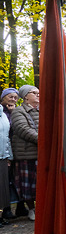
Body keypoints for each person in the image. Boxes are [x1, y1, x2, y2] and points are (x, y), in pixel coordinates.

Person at [11, 85, 41, 221]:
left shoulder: (43, 111)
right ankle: (31, 209)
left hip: (42, 153)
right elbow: (23, 129)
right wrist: (44, 140)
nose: (38, 95)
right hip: (26, 154)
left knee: (41, 183)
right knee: (28, 184)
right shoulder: (18, 111)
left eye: (38, 93)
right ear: (25, 96)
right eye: (34, 93)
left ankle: (41, 207)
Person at [1, 88, 19, 220]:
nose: (13, 99)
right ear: (3, 98)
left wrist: (13, 113)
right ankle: (5, 210)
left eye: (15, 97)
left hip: (13, 150)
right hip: (4, 151)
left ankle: (13, 208)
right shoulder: (1, 112)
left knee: (12, 180)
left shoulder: (16, 112)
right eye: (10, 97)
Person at [0, 94, 12, 225]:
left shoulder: (3, 114)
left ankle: (1, 215)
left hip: (3, 156)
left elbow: (6, 136)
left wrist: (9, 156)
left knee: (3, 189)